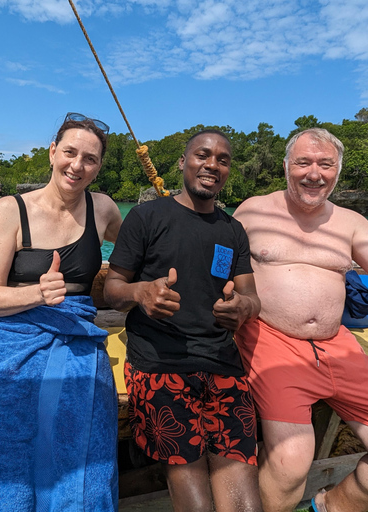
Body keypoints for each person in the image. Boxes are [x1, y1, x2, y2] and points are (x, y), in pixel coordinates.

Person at [233, 128, 368, 512]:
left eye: (325, 164)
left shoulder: (351, 222)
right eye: (303, 162)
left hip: (340, 347)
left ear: (338, 171)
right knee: (289, 463)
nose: (314, 173)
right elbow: (219, 270)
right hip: (271, 342)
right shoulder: (252, 210)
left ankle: (328, 506)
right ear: (285, 167)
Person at [0, 113, 123, 512]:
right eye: (69, 152)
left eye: (89, 159)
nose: (77, 165)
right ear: (52, 152)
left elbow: (142, 250)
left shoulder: (104, 209)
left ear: (99, 167)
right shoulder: (11, 209)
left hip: (75, 331)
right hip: (7, 331)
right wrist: (38, 293)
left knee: (84, 440)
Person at [104, 130, 263, 512]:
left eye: (223, 160)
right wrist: (141, 293)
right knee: (194, 498)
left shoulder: (232, 229)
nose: (212, 164)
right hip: (160, 363)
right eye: (202, 155)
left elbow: (253, 298)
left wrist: (243, 307)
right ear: (182, 162)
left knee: (244, 499)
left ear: (228, 171)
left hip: (223, 362)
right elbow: (112, 288)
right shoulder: (146, 217)